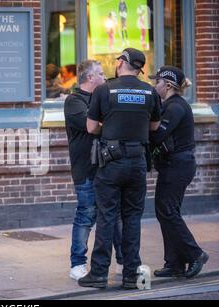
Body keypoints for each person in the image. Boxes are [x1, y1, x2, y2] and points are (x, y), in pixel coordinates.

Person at [78, 48, 161, 289]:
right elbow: (154, 126)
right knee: (133, 218)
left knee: (107, 217)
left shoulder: (105, 90)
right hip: (138, 160)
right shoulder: (149, 91)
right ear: (139, 68)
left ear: (122, 63)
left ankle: (99, 274)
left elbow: (91, 127)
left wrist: (113, 128)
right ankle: (130, 275)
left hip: (112, 160)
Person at [64, 60, 124, 281]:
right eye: (100, 73)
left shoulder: (101, 97)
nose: (104, 76)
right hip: (86, 169)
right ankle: (77, 264)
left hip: (106, 168)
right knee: (86, 215)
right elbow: (93, 127)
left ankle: (123, 260)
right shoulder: (74, 101)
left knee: (114, 215)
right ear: (89, 78)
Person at [149, 66, 209, 279]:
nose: (154, 85)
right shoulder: (171, 105)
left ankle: (195, 253)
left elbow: (158, 136)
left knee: (166, 211)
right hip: (173, 165)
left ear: (168, 85)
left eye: (156, 82)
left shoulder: (175, 107)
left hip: (177, 166)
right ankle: (174, 263)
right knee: (166, 211)